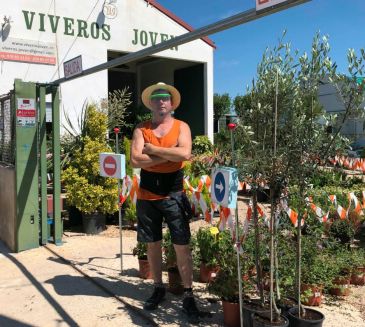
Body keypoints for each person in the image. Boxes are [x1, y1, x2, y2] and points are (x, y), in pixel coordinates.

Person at [131, 82, 200, 323]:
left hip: (174, 195)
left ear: (171, 103)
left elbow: (185, 154)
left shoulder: (182, 126)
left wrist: (153, 150)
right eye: (157, 98)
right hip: (147, 196)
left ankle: (189, 294)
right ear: (150, 103)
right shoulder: (141, 128)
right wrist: (167, 153)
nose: (161, 101)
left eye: (165, 98)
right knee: (152, 244)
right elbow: (135, 160)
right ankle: (158, 287)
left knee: (182, 245)